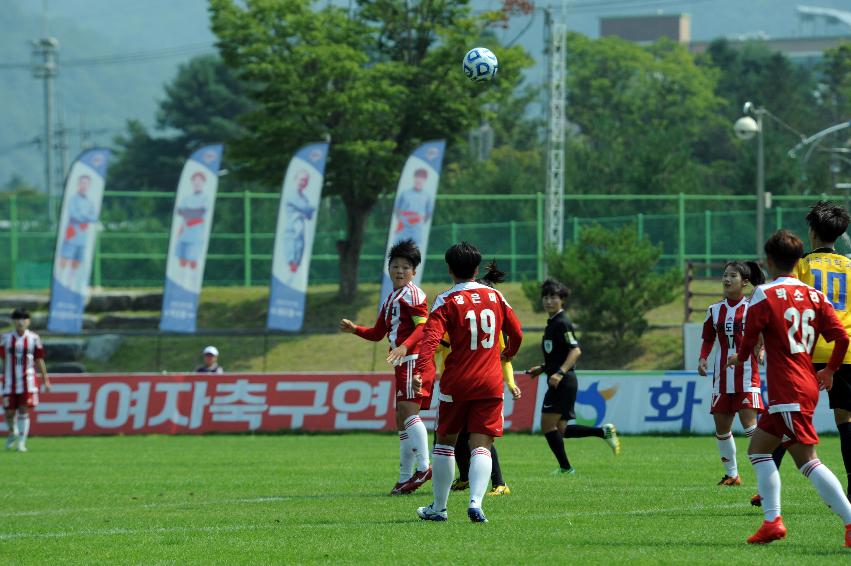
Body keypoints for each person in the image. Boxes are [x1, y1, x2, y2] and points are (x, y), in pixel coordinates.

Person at [727, 229, 851, 546]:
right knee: (758, 449)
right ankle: (772, 521)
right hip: (804, 382)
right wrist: (830, 370)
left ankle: (849, 523)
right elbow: (842, 337)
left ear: (768, 261)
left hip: (787, 389)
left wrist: (738, 359)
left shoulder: (764, 295)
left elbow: (749, 338)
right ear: (799, 261)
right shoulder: (815, 295)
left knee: (807, 461)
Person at [412, 241, 523, 523]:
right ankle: (476, 502)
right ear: (476, 268)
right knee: (481, 445)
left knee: (445, 444)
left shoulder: (446, 300)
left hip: (456, 382)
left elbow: (430, 341)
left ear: (449, 269)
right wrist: (508, 353)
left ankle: (439, 508)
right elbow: (517, 332)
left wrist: (419, 372)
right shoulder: (496, 297)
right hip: (490, 382)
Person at [752, 201, 851, 507]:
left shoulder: (801, 266)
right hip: (843, 349)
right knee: (845, 419)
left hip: (804, 349)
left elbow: (788, 304)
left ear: (811, 232)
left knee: (785, 414)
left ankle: (767, 485)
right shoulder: (850, 265)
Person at [339, 239, 432, 495]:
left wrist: (404, 347)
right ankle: (404, 477)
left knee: (409, 413)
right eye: (395, 266)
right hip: (402, 362)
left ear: (414, 272)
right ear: (388, 269)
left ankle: (424, 467)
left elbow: (424, 328)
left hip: (413, 360)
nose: (399, 271)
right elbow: (378, 333)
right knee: (401, 419)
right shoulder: (392, 297)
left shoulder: (413, 294)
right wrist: (355, 329)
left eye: (405, 267)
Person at [435, 261, 522, 496]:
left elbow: (504, 357)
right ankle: (467, 483)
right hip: (469, 382)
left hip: (462, 383)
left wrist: (511, 382)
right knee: (470, 438)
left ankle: (498, 483)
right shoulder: (464, 315)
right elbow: (438, 347)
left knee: (471, 439)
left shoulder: (455, 306)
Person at [525, 279, 620, 475]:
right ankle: (603, 432)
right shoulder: (553, 323)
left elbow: (575, 350)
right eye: (545, 297)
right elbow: (558, 354)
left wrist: (559, 373)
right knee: (561, 430)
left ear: (562, 300)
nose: (548, 301)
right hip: (561, 379)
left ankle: (566, 468)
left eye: (553, 297)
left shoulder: (562, 322)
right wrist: (543, 368)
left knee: (547, 425)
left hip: (563, 381)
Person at [697, 261, 766, 486]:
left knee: (750, 425)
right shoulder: (714, 310)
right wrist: (703, 358)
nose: (726, 280)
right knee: (722, 427)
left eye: (732, 276)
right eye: (725, 275)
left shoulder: (752, 308)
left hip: (747, 374)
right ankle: (732, 474)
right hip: (722, 377)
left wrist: (762, 349)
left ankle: (764, 475)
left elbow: (764, 333)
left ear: (744, 282)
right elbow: (708, 338)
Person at [1, 308, 51, 452]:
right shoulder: (5, 338)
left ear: (28, 321)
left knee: (24, 410)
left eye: (24, 318)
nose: (20, 321)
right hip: (9, 381)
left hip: (27, 380)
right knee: (9, 412)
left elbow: (39, 359)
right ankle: (12, 433)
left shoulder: (34, 338)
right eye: (17, 319)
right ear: (13, 321)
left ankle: (22, 443)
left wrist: (46, 379)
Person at [58, 174, 98, 274]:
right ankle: (61, 278)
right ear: (78, 184)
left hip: (82, 237)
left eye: (86, 184)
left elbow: (94, 217)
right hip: (72, 234)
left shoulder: (90, 202)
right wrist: (85, 217)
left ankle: (71, 283)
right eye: (82, 183)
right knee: (65, 257)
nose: (84, 185)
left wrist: (83, 216)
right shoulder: (73, 200)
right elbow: (74, 215)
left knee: (77, 261)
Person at [283, 170, 316, 274]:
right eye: (302, 179)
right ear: (295, 179)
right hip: (292, 229)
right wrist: (313, 208)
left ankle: (294, 266)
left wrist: (309, 211)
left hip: (300, 230)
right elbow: (306, 208)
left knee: (300, 248)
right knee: (292, 254)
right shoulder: (292, 194)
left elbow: (309, 215)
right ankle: (291, 265)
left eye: (306, 180)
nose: (304, 182)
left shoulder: (304, 197)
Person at [176, 171, 209, 270]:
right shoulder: (187, 198)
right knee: (182, 260)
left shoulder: (205, 198)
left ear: (203, 182)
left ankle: (192, 282)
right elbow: (179, 211)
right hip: (184, 234)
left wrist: (188, 212)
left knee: (193, 261)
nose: (197, 182)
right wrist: (192, 212)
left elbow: (201, 212)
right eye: (195, 180)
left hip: (196, 235)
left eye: (199, 180)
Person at [393, 168, 433, 244]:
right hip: (403, 227)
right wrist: (401, 219)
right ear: (414, 178)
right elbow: (397, 207)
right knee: (397, 248)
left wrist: (419, 222)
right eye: (417, 177)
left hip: (417, 229)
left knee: (415, 251)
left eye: (421, 178)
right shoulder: (404, 193)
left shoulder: (427, 196)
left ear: (425, 180)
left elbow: (429, 212)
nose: (419, 180)